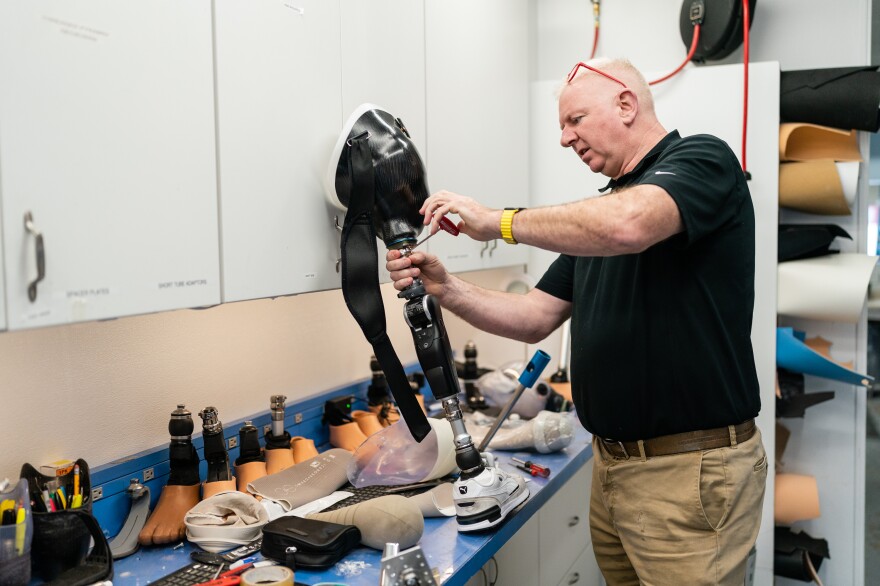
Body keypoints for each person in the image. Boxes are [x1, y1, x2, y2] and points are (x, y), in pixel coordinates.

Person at [386, 57, 767, 585]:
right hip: (612, 469)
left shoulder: (703, 160)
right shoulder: (602, 216)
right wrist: (445, 287)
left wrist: (498, 222)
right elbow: (532, 316)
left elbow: (630, 226)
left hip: (688, 471)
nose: (564, 139)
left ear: (626, 104)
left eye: (575, 120)